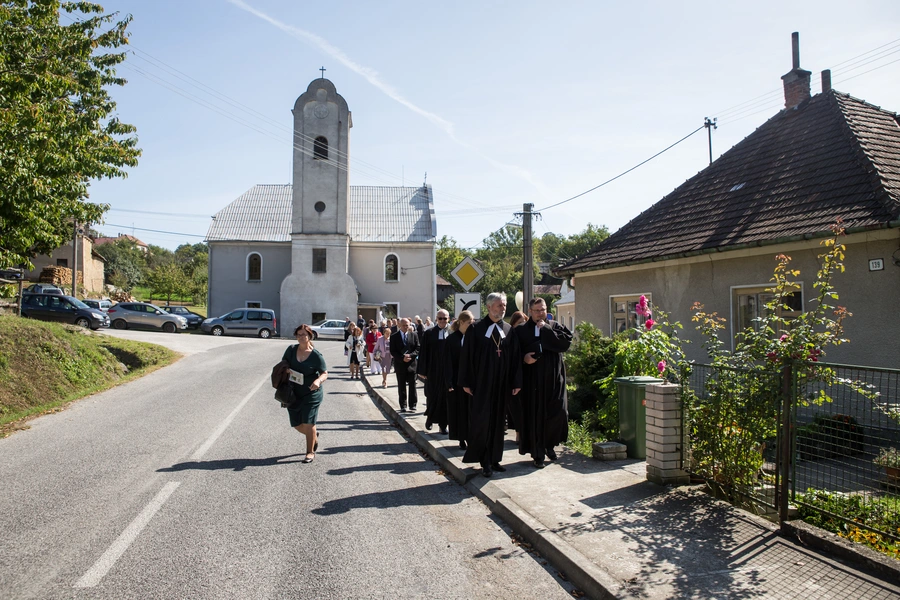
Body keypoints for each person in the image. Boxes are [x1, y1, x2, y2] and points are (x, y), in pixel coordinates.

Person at [459, 293, 521, 477]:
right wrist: (466, 381)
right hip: (482, 383)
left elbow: (516, 358)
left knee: (498, 423)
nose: (502, 308)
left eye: (504, 305)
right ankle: (484, 460)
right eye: (499, 305)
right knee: (483, 422)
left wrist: (516, 381)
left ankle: (495, 459)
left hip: (502, 384)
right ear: (488, 307)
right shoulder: (476, 329)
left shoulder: (509, 329)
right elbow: (466, 356)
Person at [513, 297, 573, 468]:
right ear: (530, 312)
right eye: (537, 310)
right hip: (532, 381)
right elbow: (514, 354)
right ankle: (537, 453)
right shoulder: (521, 331)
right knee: (535, 417)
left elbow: (564, 344)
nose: (541, 313)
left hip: (554, 379)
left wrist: (546, 329)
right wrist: (524, 359)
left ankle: (549, 444)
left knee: (558, 412)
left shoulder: (554, 326)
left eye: (543, 310)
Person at [281, 324, 328, 463]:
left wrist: (318, 381)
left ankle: (310, 452)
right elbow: (283, 364)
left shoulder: (316, 355)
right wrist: (286, 370)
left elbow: (325, 373)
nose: (302, 337)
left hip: (311, 392)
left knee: (308, 421)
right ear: (296, 336)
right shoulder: (290, 350)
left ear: (309, 336)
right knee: (296, 423)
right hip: (293, 392)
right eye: (299, 334)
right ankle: (313, 435)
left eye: (304, 334)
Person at [418, 309, 451, 434]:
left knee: (445, 398)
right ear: (436, 319)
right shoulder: (429, 333)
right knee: (431, 396)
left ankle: (443, 425)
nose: (442, 321)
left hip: (447, 371)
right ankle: (430, 418)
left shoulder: (452, 332)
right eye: (440, 318)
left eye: (445, 318)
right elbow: (424, 352)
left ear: (448, 319)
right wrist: (422, 370)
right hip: (433, 371)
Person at [445, 310, 473, 450]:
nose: (471, 325)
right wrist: (449, 382)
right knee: (459, 410)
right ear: (461, 322)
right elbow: (447, 362)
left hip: (470, 379)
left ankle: (470, 436)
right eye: (469, 323)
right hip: (456, 380)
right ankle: (461, 437)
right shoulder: (451, 339)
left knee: (470, 410)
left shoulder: (472, 337)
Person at [390, 317, 420, 412]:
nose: (406, 327)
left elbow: (418, 348)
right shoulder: (394, 336)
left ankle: (413, 404)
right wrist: (402, 358)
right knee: (401, 385)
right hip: (400, 364)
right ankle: (403, 405)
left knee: (413, 385)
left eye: (407, 325)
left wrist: (410, 355)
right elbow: (393, 351)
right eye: (404, 325)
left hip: (412, 364)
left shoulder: (414, 335)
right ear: (399, 325)